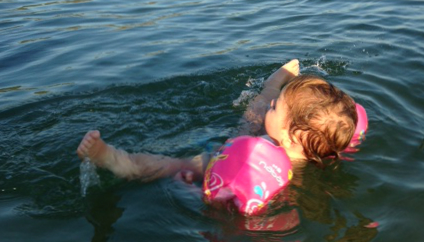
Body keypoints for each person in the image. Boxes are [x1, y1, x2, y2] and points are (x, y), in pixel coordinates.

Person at [77, 59, 360, 183]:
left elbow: (262, 111)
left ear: (291, 136)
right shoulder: (318, 157)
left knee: (174, 165)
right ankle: (278, 79)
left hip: (227, 157)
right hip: (244, 181)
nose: (271, 108)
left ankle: (113, 159)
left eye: (276, 108)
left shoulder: (256, 142)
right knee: (258, 110)